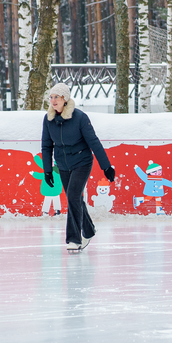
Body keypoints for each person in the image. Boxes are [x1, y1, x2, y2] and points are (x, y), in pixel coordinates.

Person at [41, 83, 115, 251]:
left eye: (56, 97)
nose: (53, 100)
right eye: (51, 97)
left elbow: (94, 142)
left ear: (65, 99)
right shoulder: (48, 119)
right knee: (74, 198)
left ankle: (74, 239)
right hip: (63, 164)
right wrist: (47, 170)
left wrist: (106, 166)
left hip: (82, 161)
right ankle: (88, 230)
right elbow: (46, 146)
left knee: (73, 195)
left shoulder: (80, 118)